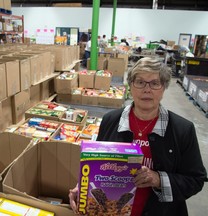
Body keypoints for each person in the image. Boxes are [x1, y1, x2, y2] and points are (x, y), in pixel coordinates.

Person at [69, 57, 207, 216]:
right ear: (130, 86)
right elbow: (96, 166)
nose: (147, 89)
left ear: (163, 88)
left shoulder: (182, 130)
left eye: (155, 83)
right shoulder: (111, 121)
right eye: (140, 82)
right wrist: (82, 189)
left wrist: (157, 179)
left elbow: (196, 180)